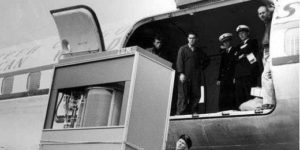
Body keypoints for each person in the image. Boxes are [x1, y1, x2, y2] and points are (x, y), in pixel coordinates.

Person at [176, 32, 209, 115]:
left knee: (195, 94)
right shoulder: (183, 49)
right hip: (185, 76)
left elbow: (207, 60)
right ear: (187, 39)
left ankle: (193, 111)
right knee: (183, 95)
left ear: (196, 39)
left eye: (193, 38)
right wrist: (181, 73)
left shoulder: (199, 51)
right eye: (190, 38)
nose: (191, 40)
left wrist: (201, 68)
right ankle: (181, 112)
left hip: (195, 76)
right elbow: (179, 62)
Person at [234, 25, 260, 109]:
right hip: (240, 74)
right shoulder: (238, 46)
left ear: (247, 33)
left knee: (250, 95)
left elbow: (248, 49)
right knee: (241, 96)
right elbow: (235, 55)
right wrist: (242, 54)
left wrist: (241, 53)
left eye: (243, 33)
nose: (241, 35)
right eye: (239, 34)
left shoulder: (253, 41)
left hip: (250, 73)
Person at [257, 5, 275, 109]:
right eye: (259, 13)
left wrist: (270, 9)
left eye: (263, 12)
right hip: (266, 51)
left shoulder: (271, 19)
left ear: (268, 12)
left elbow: (273, 9)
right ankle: (268, 101)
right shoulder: (266, 23)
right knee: (266, 77)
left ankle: (269, 103)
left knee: (266, 76)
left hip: (271, 50)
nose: (261, 15)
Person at [217, 33, 237, 111]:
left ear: (230, 41)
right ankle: (223, 110)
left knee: (231, 94)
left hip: (232, 76)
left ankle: (231, 109)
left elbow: (236, 65)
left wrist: (235, 76)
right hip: (224, 77)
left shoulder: (235, 50)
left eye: (227, 41)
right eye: (224, 42)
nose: (226, 43)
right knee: (223, 95)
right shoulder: (223, 53)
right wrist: (218, 78)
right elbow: (221, 67)